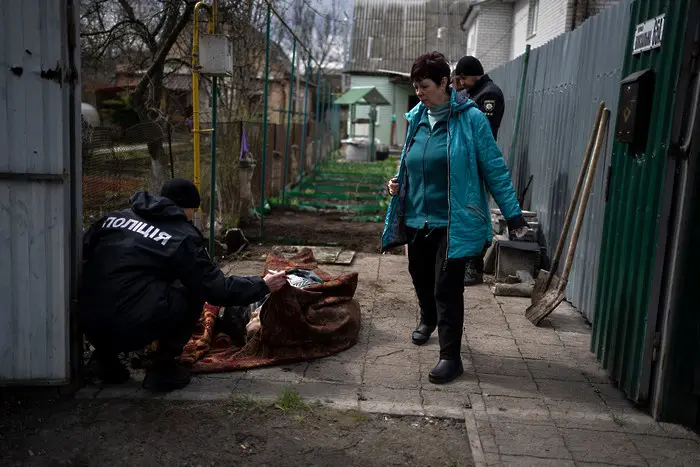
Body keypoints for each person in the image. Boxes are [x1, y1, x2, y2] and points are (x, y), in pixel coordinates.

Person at [382, 52, 527, 384]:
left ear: (445, 83)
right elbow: (414, 160)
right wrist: (398, 181)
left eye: (424, 86)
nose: (418, 92)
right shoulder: (417, 117)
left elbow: (494, 167)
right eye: (415, 86)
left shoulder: (471, 119)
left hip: (454, 220)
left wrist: (514, 215)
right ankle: (427, 317)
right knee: (419, 276)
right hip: (417, 217)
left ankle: (450, 356)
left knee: (447, 287)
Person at [80, 178, 287, 392]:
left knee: (115, 282)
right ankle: (163, 368)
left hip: (86, 322)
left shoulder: (115, 218)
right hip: (129, 327)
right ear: (188, 208)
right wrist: (262, 285)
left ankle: (104, 360)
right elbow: (214, 288)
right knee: (191, 291)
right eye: (194, 211)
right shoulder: (181, 236)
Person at [454, 55, 507, 286]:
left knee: (474, 215)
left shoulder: (490, 95)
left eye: (463, 78)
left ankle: (473, 268)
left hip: (478, 164)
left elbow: (481, 133)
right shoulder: (473, 93)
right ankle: (465, 262)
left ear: (473, 75)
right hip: (466, 164)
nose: (461, 83)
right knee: (465, 214)